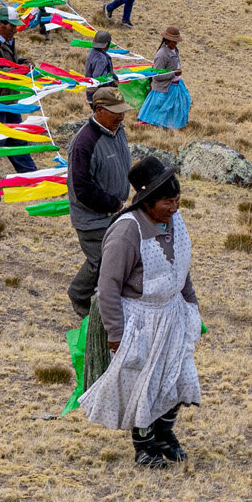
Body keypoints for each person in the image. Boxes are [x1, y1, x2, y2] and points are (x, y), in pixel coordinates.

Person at [77, 155, 201, 469]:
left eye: (178, 200)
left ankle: (165, 435)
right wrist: (116, 336)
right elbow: (108, 286)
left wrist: (191, 309)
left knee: (174, 377)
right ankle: (144, 447)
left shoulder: (175, 221)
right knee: (142, 384)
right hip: (139, 321)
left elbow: (181, 270)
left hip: (172, 314)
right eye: (168, 202)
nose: (174, 208)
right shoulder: (126, 233)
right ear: (147, 201)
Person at [67, 86, 133, 320]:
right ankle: (82, 300)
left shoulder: (119, 131)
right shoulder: (84, 142)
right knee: (104, 263)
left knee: (111, 261)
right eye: (115, 111)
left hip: (114, 213)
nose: (121, 116)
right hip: (92, 219)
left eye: (123, 110)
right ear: (98, 110)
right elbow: (82, 189)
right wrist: (112, 204)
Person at [0, 9, 40, 183]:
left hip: (10, 101)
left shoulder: (8, 41)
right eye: (12, 26)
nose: (16, 30)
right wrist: (19, 71)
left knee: (17, 141)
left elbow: (9, 63)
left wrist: (23, 62)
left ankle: (30, 175)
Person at [138, 26, 191, 130]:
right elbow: (157, 76)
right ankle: (160, 126)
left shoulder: (175, 50)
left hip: (175, 85)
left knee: (173, 108)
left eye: (176, 42)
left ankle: (170, 126)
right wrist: (174, 74)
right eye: (173, 41)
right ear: (167, 41)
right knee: (161, 108)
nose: (175, 44)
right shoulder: (161, 55)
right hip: (164, 88)